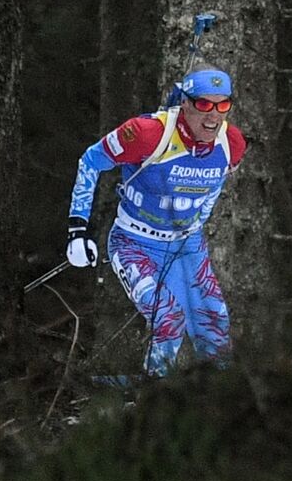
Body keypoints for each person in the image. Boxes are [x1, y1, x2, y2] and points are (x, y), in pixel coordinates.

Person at [66, 64, 246, 376]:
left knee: (215, 327)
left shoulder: (232, 143)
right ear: (185, 103)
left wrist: (196, 224)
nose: (213, 116)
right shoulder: (148, 133)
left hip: (186, 246)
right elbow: (90, 161)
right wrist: (77, 230)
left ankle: (217, 404)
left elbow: (214, 185)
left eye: (223, 105)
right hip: (135, 242)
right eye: (203, 104)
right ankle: (154, 401)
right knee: (168, 318)